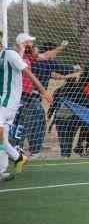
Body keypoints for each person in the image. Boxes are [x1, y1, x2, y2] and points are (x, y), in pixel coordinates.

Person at [0, 38, 53, 175]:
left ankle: (17, 157)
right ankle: (5, 168)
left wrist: (44, 91)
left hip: (9, 102)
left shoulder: (10, 54)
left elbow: (28, 72)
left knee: (1, 135)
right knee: (3, 137)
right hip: (4, 101)